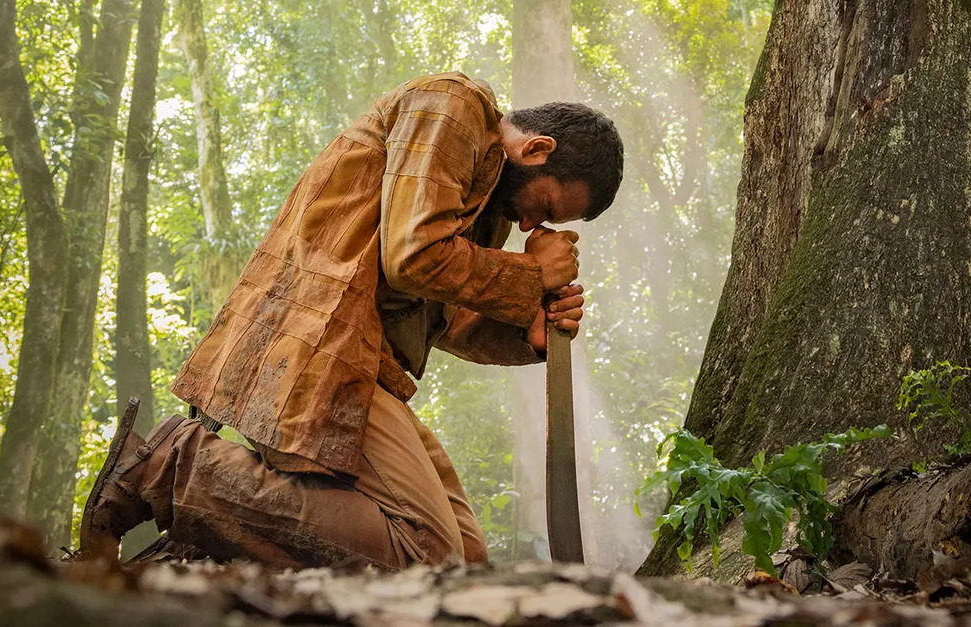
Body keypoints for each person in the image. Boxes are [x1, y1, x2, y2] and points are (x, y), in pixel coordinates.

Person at [79, 72, 624, 569]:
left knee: (468, 566)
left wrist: (523, 336)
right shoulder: (453, 107)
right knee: (428, 558)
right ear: (536, 148)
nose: (530, 223)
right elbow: (413, 257)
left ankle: (218, 530)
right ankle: (172, 469)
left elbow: (442, 319)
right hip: (316, 350)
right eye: (544, 206)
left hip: (364, 371)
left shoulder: (485, 209)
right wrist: (531, 273)